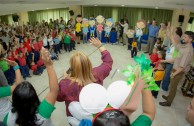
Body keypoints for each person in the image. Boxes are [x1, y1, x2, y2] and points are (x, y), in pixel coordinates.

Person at [57, 38, 113, 117]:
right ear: (88, 64)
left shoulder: (65, 84)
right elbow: (108, 62)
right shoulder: (97, 73)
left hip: (76, 118)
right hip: (96, 114)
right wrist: (100, 45)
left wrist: (65, 79)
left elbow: (58, 98)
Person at [2, 47, 59, 126]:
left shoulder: (8, 119)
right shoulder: (43, 112)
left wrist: (16, 67)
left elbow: (54, 91)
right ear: (35, 98)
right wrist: (49, 66)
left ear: (14, 101)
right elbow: (54, 90)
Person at [159, 24, 194, 107]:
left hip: (178, 71)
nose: (183, 38)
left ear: (190, 39)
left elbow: (182, 67)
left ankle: (168, 102)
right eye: (183, 36)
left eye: (185, 37)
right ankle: (168, 97)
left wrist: (173, 74)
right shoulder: (184, 46)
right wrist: (170, 34)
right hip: (175, 69)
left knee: (173, 87)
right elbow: (175, 45)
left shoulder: (188, 50)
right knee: (172, 87)